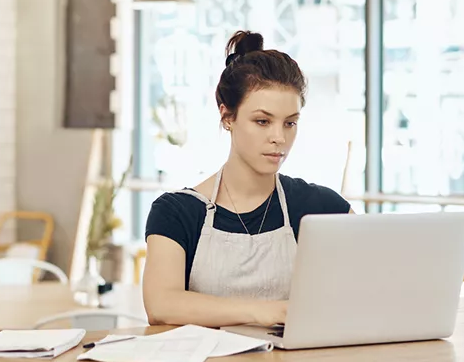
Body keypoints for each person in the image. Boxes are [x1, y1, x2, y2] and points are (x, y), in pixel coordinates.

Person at [143, 30, 353, 328]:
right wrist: (269, 312)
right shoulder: (177, 212)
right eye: (262, 121)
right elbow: (162, 305)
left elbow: (368, 286)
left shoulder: (319, 205)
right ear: (227, 117)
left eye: (290, 123)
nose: (279, 138)